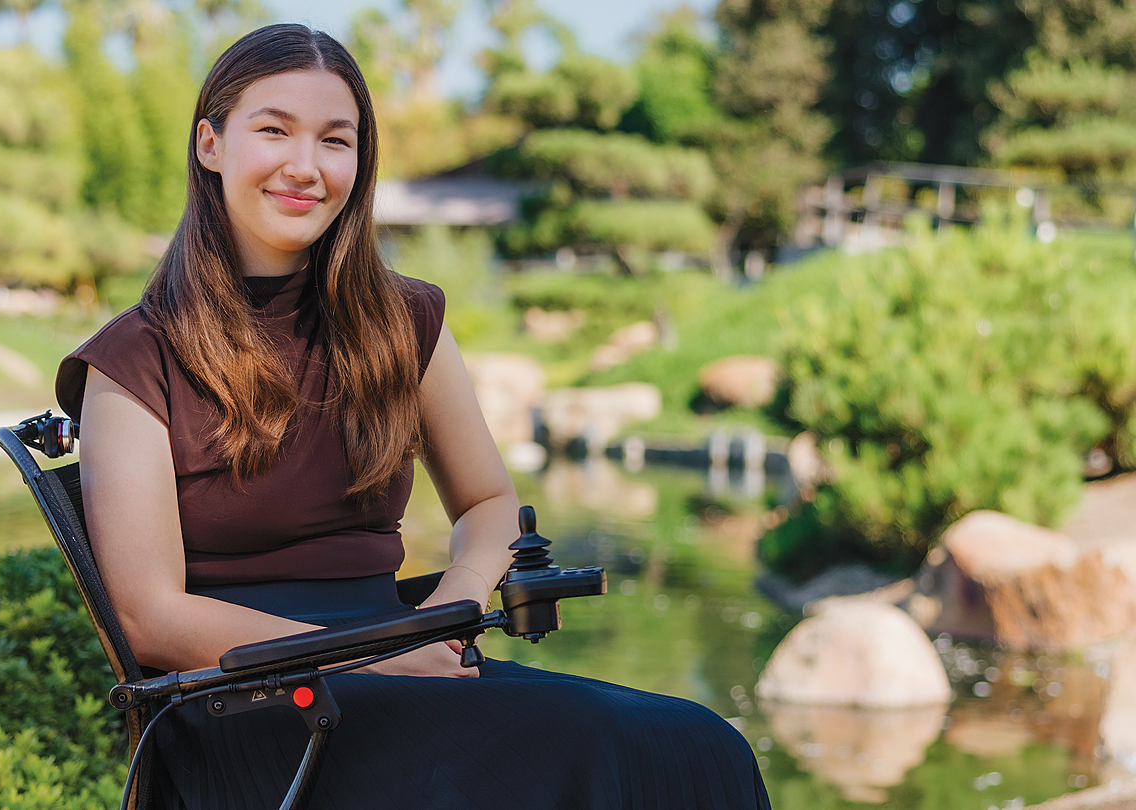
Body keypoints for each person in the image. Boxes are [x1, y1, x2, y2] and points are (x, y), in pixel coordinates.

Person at [55, 23, 770, 810]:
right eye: (274, 130)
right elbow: (149, 616)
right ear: (211, 144)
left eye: (336, 140)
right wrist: (374, 660)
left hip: (410, 661)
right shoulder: (132, 360)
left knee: (701, 748)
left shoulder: (401, 320)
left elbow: (490, 503)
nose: (306, 165)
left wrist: (442, 615)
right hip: (245, 704)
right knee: (593, 754)